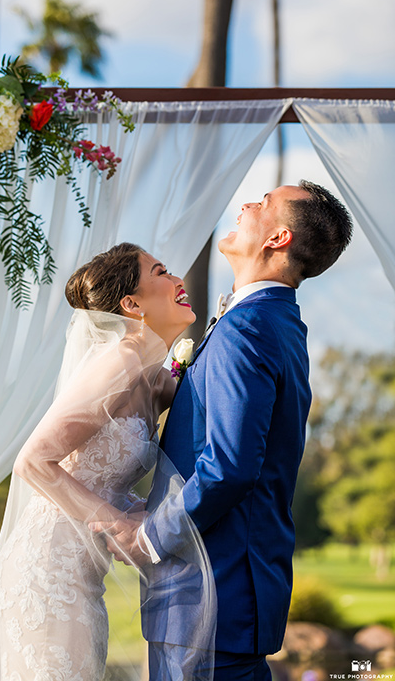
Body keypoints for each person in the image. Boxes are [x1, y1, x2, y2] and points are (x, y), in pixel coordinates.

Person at [91, 181, 353, 680]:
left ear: (278, 238)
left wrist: (148, 536)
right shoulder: (268, 320)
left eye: (265, 202)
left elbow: (230, 467)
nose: (249, 203)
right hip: (218, 595)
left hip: (211, 594)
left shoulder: (250, 327)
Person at [0, 242, 216, 680]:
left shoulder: (151, 377)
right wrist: (119, 523)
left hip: (82, 572)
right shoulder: (119, 362)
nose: (178, 280)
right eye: (162, 272)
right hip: (47, 571)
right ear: (132, 304)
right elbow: (33, 461)